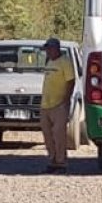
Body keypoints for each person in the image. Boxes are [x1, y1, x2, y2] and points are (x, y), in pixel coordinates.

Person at [39, 37, 75, 173]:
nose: (47, 52)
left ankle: (61, 161)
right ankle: (52, 159)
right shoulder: (49, 62)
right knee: (47, 134)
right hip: (45, 104)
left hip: (59, 104)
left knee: (59, 134)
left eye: (49, 49)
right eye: (46, 49)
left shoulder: (65, 62)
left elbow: (71, 81)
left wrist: (66, 99)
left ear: (56, 49)